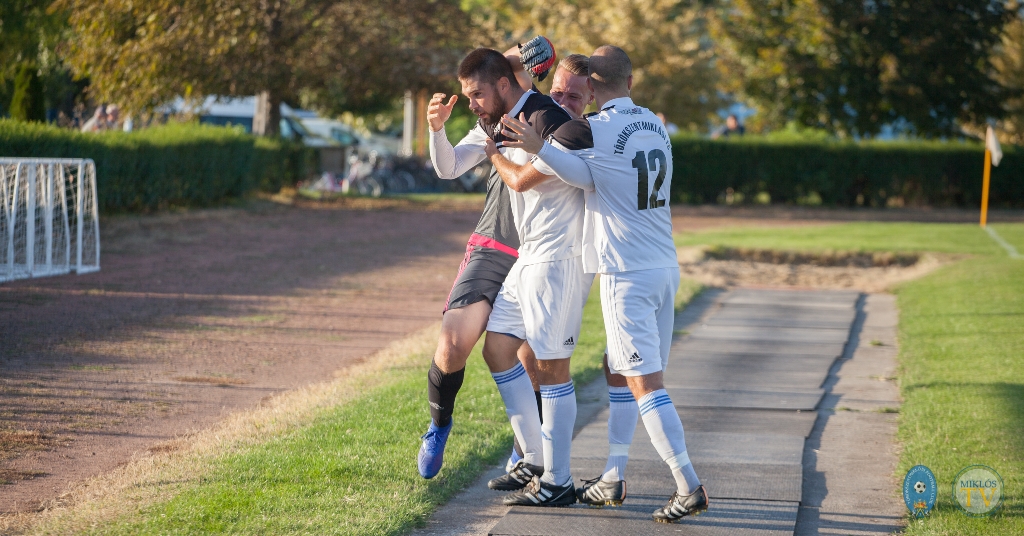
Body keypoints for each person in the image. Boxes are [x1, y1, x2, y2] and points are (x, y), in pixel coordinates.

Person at [499, 45, 709, 523]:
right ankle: (612, 477)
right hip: (664, 267)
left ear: (591, 86)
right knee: (618, 366)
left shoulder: (595, 130)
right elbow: (591, 176)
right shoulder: (656, 123)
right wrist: (548, 151)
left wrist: (539, 149)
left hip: (625, 273)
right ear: (631, 82)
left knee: (644, 383)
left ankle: (688, 485)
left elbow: (574, 175)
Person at [417, 41, 571, 484]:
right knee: (453, 344)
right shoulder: (489, 123)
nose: (470, 103)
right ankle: (438, 426)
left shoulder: (546, 115)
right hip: (492, 245)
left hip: (540, 252)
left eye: (476, 95)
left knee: (530, 359)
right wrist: (436, 130)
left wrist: (518, 60)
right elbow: (448, 168)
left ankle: (527, 453)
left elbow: (533, 63)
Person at [478, 51, 603, 507]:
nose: (564, 100)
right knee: (497, 345)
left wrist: (494, 152)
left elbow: (516, 180)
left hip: (561, 261)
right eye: (559, 91)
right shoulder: (541, 123)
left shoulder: (574, 133)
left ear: (592, 95)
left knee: (552, 369)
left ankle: (559, 480)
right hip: (529, 257)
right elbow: (504, 69)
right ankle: (532, 456)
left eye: (575, 94)